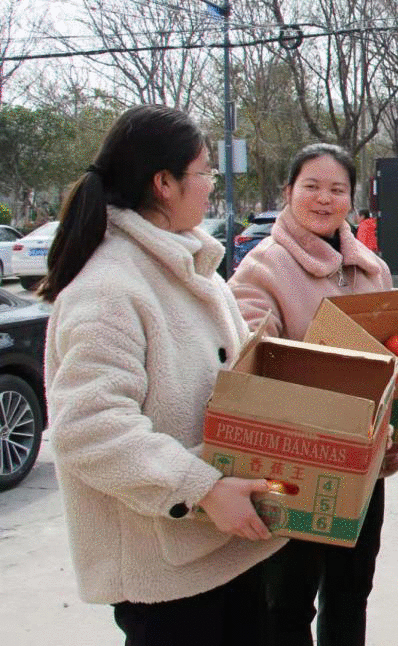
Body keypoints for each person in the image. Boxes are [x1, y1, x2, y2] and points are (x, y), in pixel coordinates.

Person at [40, 104, 284, 645]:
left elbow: (239, 386)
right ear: (164, 183)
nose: (211, 186)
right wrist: (201, 487)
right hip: (166, 574)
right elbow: (89, 428)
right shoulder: (110, 288)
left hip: (224, 549)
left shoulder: (191, 268)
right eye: (204, 173)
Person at [228, 143, 398, 646]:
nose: (324, 199)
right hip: (293, 463)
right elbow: (252, 365)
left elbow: (397, 354)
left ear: (352, 199)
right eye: (311, 187)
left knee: (352, 590)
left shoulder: (371, 269)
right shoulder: (262, 269)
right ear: (287, 192)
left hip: (364, 463)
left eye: (337, 189)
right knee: (288, 601)